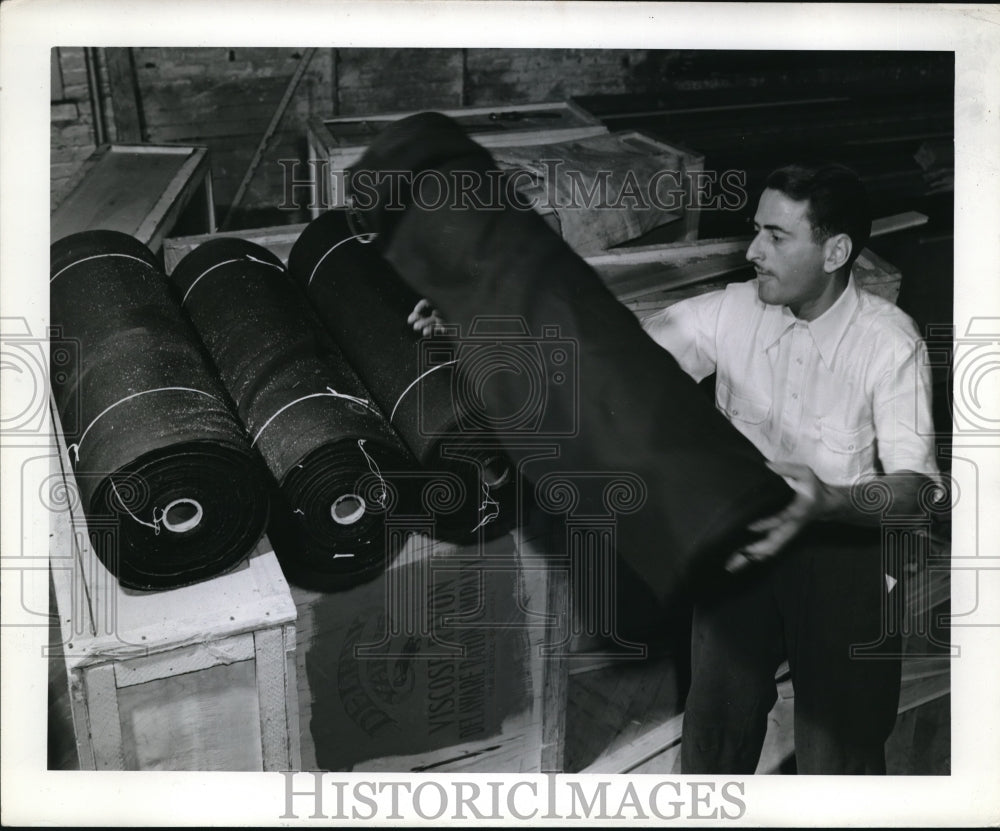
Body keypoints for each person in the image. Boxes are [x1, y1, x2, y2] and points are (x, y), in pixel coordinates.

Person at [639, 162, 940, 774]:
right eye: (757, 231)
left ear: (835, 252)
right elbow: (617, 355)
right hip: (745, 541)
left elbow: (920, 492)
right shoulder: (730, 311)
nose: (752, 251)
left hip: (845, 553)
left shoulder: (889, 342)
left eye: (777, 237)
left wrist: (830, 502)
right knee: (714, 734)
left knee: (840, 757)